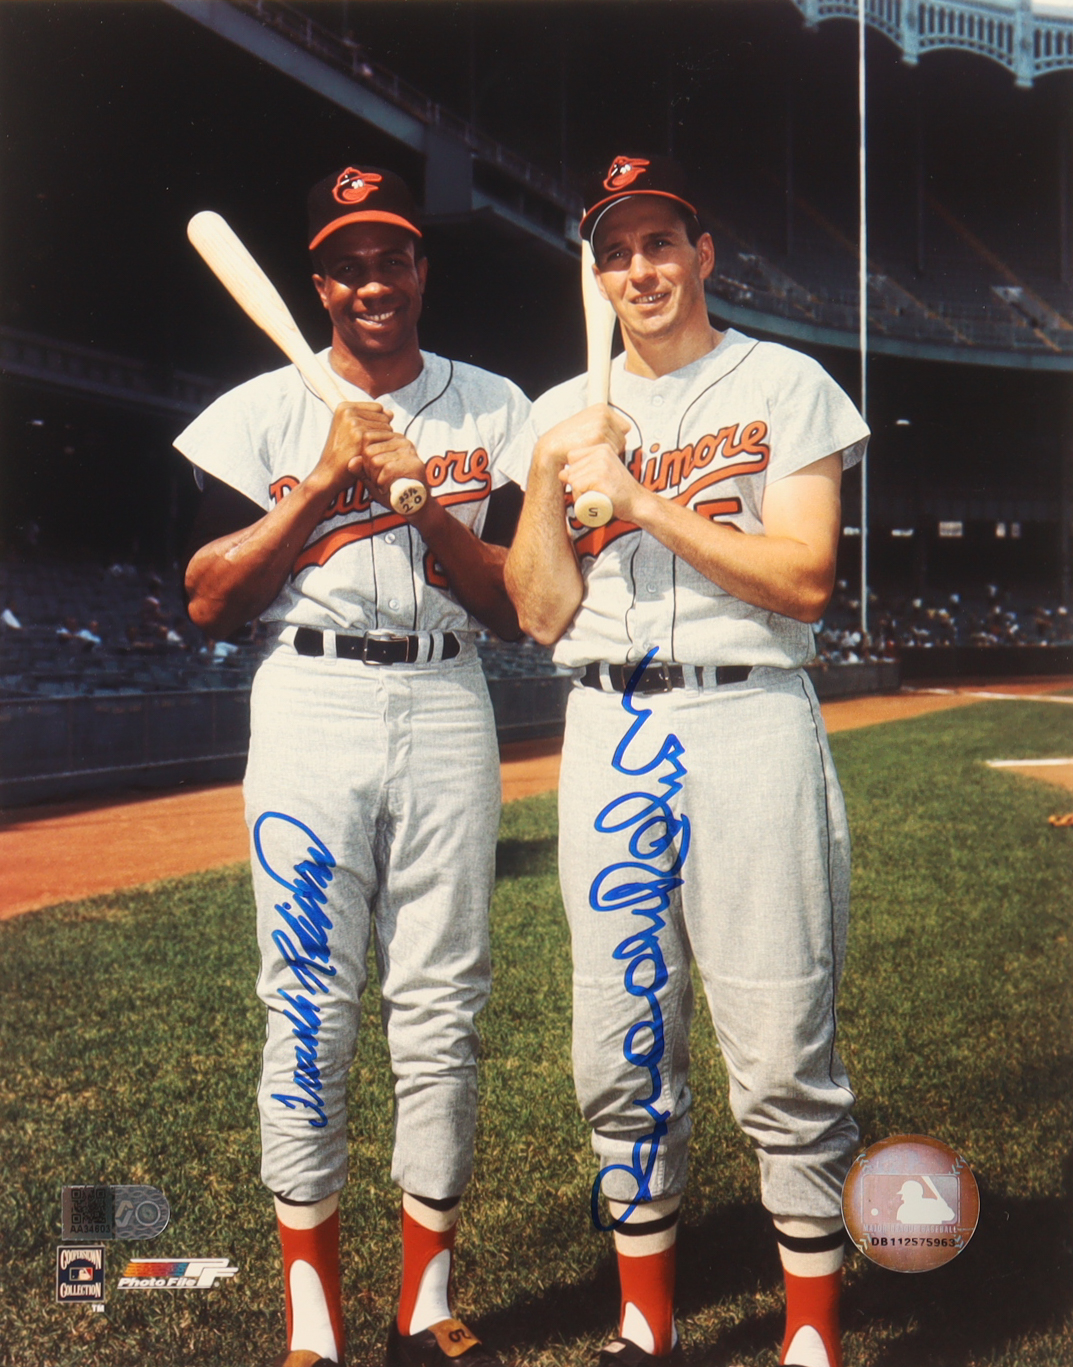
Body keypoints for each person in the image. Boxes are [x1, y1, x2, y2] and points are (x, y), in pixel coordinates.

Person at [502, 155, 869, 1367]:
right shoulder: (563, 408)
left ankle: (809, 1333)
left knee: (775, 1029)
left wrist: (646, 502)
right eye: (616, 252)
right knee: (616, 1032)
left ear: (703, 254)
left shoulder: (784, 380)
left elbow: (804, 576)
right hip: (607, 723)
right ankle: (642, 1318)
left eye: (659, 243)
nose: (639, 271)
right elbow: (538, 614)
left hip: (746, 711)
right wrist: (560, 483)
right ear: (597, 273)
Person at [177, 163, 529, 1367]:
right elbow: (210, 599)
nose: (371, 282)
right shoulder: (259, 410)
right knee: (308, 1003)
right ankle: (311, 1322)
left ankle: (422, 1307)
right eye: (347, 264)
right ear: (318, 284)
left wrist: (428, 512)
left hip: (446, 692)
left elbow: (519, 609)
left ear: (420, 270)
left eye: (392, 259)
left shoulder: (492, 405)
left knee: (441, 1006)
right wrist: (325, 479)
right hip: (310, 695)